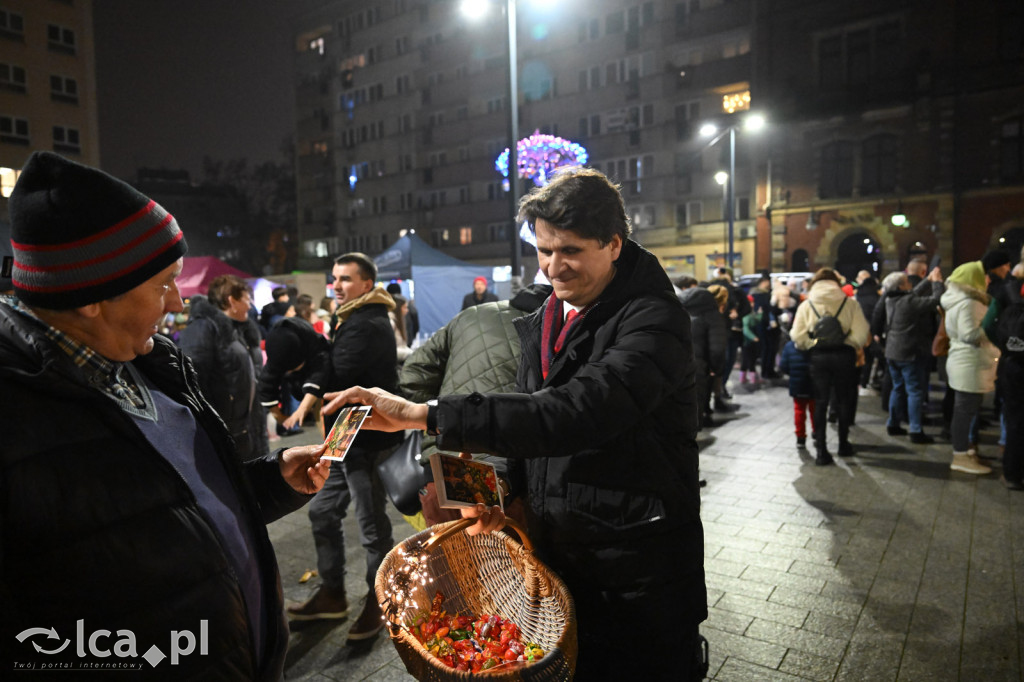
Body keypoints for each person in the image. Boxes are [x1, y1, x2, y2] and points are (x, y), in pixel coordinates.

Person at [322, 167, 708, 680]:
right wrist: (498, 493)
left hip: (636, 565)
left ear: (613, 244)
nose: (553, 267)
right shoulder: (552, 314)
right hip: (563, 553)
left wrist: (425, 414)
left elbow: (576, 411)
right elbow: (530, 413)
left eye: (569, 250)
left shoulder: (654, 319)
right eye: (544, 251)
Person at [0, 151, 330, 678]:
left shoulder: (151, 363)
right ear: (92, 295)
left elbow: (165, 511)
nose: (178, 302)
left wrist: (269, 483)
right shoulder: (16, 414)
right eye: (162, 284)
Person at [287, 252, 403, 644]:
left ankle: (380, 600)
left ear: (367, 284)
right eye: (334, 278)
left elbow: (338, 373)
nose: (336, 285)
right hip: (343, 435)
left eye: (346, 279)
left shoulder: (367, 323)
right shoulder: (351, 318)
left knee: (372, 528)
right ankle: (333, 593)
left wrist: (303, 365)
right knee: (321, 510)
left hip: (368, 438)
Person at [400, 283, 550, 525]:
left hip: (444, 465)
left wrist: (442, 416)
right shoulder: (555, 330)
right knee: (506, 560)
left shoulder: (471, 315)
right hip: (508, 479)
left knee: (448, 559)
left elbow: (413, 375)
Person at [179, 275, 268, 461]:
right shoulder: (204, 327)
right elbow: (193, 378)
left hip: (247, 427)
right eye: (246, 299)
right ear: (231, 300)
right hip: (228, 429)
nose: (250, 305)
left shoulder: (239, 330)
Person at [790, 267, 870, 465]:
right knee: (843, 400)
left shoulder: (807, 305)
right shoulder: (849, 303)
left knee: (820, 401)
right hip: (844, 357)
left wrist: (813, 344)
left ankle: (821, 452)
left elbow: (797, 336)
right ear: (836, 282)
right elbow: (861, 334)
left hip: (819, 357)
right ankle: (843, 445)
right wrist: (846, 344)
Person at [941, 261, 1000, 475]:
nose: (988, 279)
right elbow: (970, 335)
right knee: (964, 412)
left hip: (966, 362)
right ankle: (960, 456)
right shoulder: (969, 302)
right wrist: (993, 325)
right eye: (983, 275)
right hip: (969, 364)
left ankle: (965, 451)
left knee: (966, 411)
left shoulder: (960, 301)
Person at [879, 268, 945, 444]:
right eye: (907, 281)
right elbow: (935, 300)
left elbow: (912, 293)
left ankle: (893, 423)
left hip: (892, 351)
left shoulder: (891, 299)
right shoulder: (908, 301)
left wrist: (928, 280)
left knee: (897, 388)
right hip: (908, 353)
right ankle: (915, 429)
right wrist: (937, 282)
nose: (910, 283)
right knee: (915, 391)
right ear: (901, 286)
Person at [259, 313, 332, 433]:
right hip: (302, 383)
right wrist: (280, 417)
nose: (290, 372)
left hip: (327, 387)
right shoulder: (275, 355)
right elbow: (266, 386)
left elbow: (319, 375)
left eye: (294, 368)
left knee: (324, 417)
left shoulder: (316, 347)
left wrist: (302, 409)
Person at [678, 281, 727, 428]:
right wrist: (716, 369)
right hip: (698, 366)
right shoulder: (712, 315)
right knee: (696, 402)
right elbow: (717, 348)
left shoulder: (677, 310)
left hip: (674, 363)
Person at [997, 281, 1024, 489]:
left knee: (1015, 420)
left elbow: (991, 327)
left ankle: (1012, 474)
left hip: (1013, 367)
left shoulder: (1011, 309)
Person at [778, 338, 815, 448]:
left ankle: (800, 438)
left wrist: (794, 374)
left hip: (797, 384)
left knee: (799, 410)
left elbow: (783, 366)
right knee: (815, 410)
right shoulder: (816, 344)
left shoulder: (790, 345)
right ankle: (817, 432)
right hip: (814, 383)